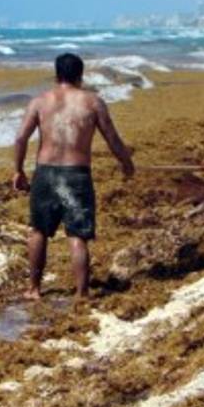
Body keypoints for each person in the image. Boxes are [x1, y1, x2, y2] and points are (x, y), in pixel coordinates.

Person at [12, 53, 134, 300]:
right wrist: (126, 162)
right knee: (77, 236)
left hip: (45, 173)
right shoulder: (93, 102)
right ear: (81, 75)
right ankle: (81, 292)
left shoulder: (39, 102)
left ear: (56, 75)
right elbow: (112, 138)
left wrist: (18, 170)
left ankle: (34, 289)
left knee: (38, 231)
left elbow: (20, 138)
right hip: (76, 175)